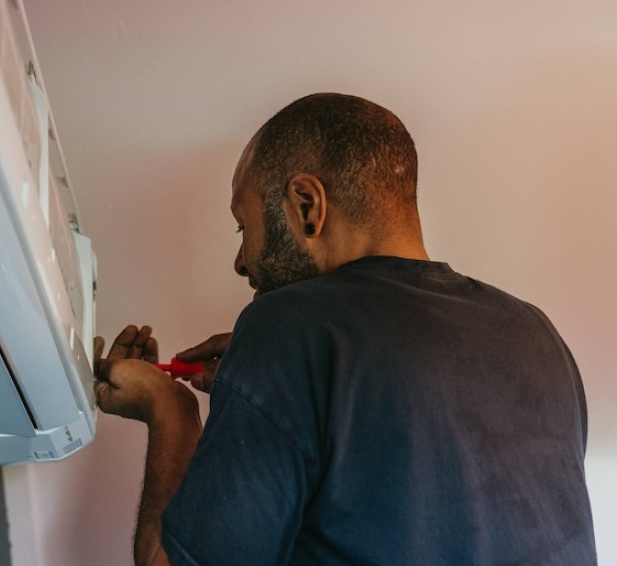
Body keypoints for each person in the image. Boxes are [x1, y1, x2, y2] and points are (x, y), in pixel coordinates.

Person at [93, 93, 596, 565]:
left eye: (243, 227)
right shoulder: (535, 334)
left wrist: (170, 410)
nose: (240, 262)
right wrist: (272, 386)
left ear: (307, 206)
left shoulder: (286, 327)